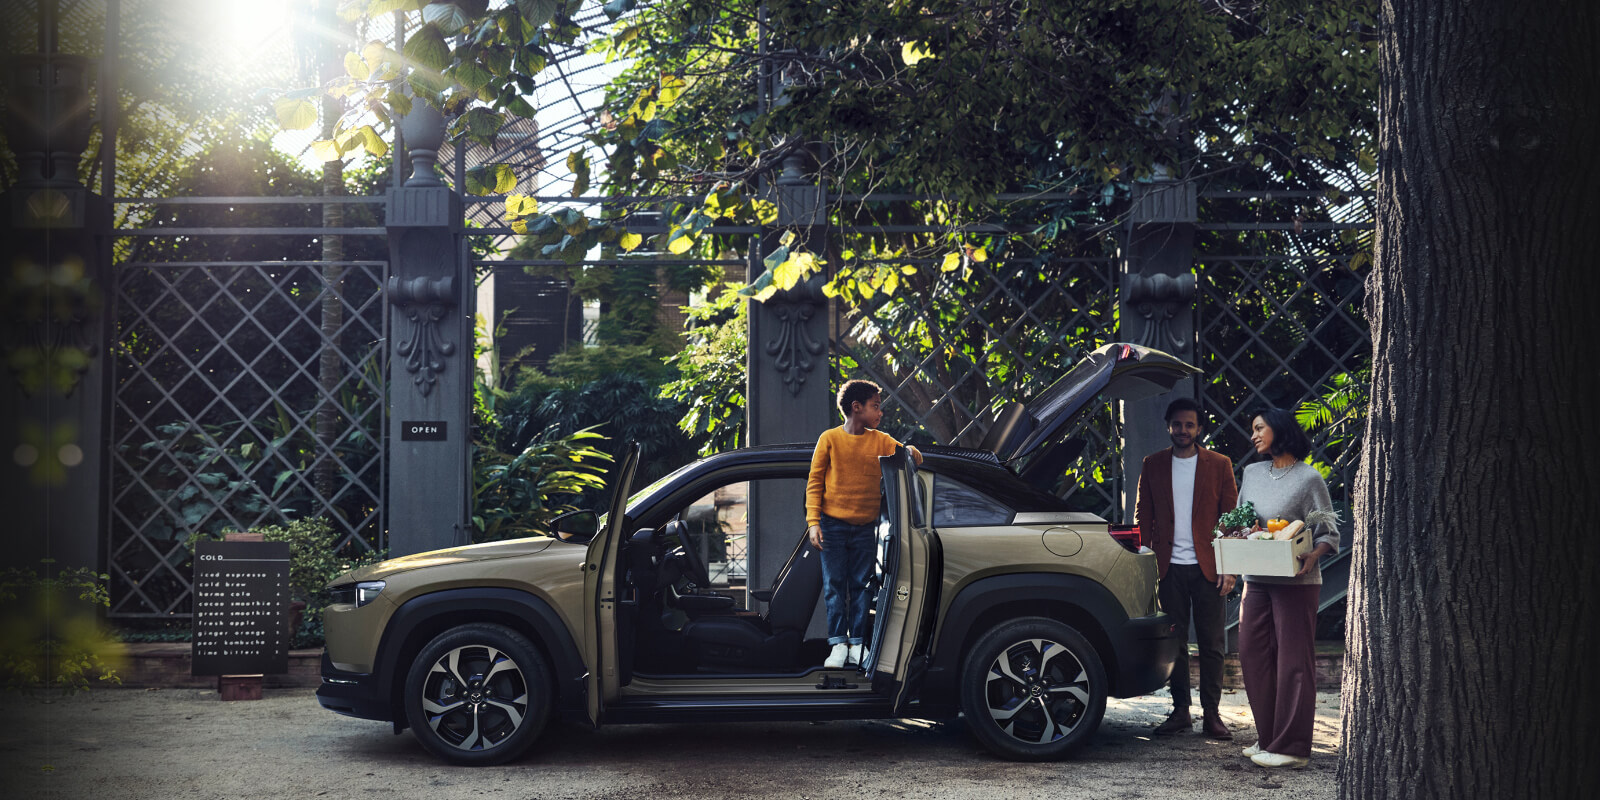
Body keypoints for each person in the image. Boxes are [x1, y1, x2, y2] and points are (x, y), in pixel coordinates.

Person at [1230, 408, 1341, 769]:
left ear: (1279, 429)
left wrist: (1314, 554)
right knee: (1252, 655)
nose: (1253, 436)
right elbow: (1241, 521)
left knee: (1294, 662)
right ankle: (1269, 738)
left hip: (1296, 581)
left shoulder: (1309, 479)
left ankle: (1292, 748)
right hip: (1256, 579)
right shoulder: (1252, 472)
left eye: (1259, 428)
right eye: (1253, 430)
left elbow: (1329, 533)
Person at [1136, 397, 1240, 740]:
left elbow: (1231, 520)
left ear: (1199, 429)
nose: (1183, 430)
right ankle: (1181, 711)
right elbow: (1143, 517)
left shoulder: (1219, 464)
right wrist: (1147, 564)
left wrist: (1230, 567)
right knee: (1175, 642)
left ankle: (1212, 714)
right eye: (1177, 424)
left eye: (1189, 425)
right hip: (1168, 569)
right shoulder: (1152, 464)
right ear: (1169, 425)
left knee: (1212, 643)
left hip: (1208, 568)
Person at [806, 379, 921, 669]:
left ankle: (857, 643)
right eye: (875, 406)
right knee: (834, 586)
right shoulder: (829, 439)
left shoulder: (880, 440)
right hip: (831, 525)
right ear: (856, 408)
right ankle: (837, 645)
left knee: (861, 586)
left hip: (865, 528)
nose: (880, 412)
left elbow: (907, 455)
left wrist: (911, 452)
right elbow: (814, 483)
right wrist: (813, 522)